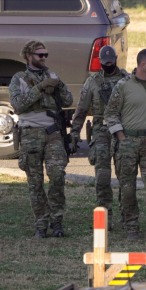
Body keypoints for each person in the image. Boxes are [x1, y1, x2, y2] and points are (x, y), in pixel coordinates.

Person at [104, 48, 146, 242]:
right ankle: (131, 226)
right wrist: (120, 137)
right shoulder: (123, 85)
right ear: (143, 65)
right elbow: (110, 114)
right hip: (127, 142)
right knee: (128, 187)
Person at [9, 40, 73, 238]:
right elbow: (18, 105)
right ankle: (41, 223)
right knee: (35, 182)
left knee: (57, 176)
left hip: (52, 132)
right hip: (30, 135)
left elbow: (69, 100)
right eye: (40, 55)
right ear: (28, 56)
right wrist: (40, 88)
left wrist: (58, 85)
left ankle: (57, 222)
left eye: (46, 54)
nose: (44, 58)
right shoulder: (19, 78)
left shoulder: (52, 75)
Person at [70, 45, 128, 231]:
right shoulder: (92, 82)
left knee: (126, 177)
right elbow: (81, 110)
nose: (108, 66)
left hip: (123, 131)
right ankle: (105, 218)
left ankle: (128, 218)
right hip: (101, 131)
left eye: (111, 63)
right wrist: (74, 133)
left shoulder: (126, 79)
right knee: (102, 177)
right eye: (105, 63)